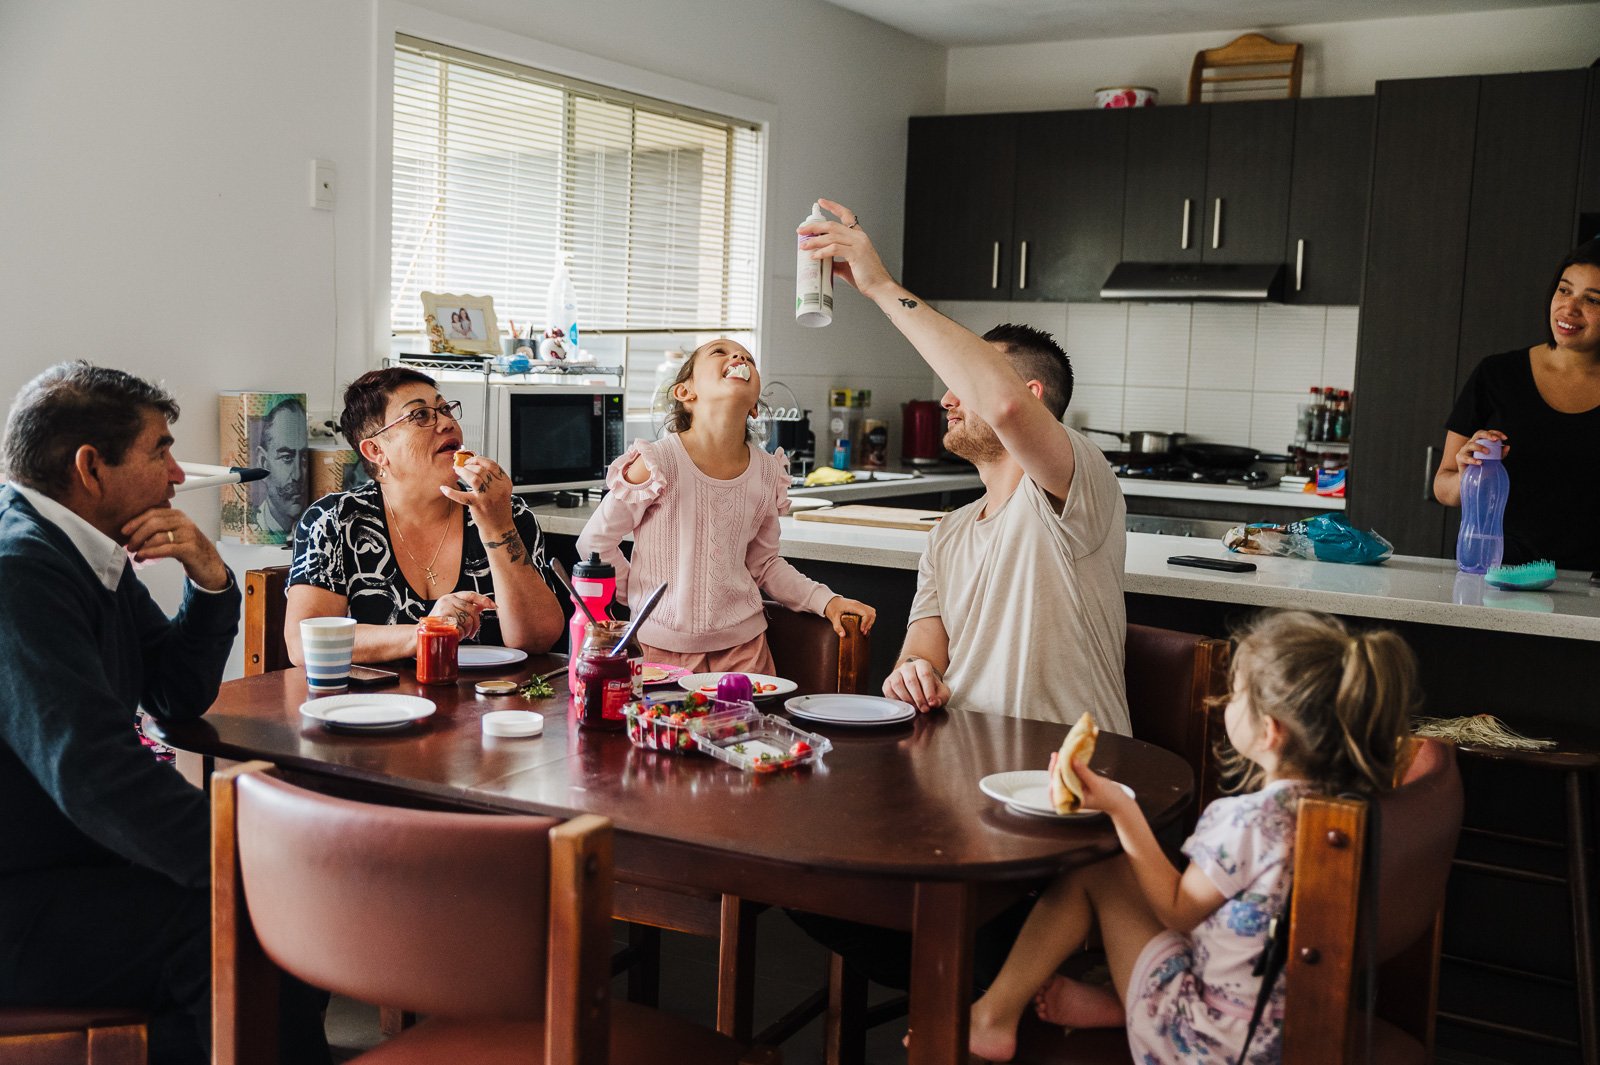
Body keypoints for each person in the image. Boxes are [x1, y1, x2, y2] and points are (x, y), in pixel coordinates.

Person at [0, 362, 330, 1065]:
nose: (178, 474)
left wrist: (211, 580)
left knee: (284, 932)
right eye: (160, 450)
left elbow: (174, 694)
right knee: (259, 926)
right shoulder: (19, 570)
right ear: (91, 466)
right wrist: (246, 854)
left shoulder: (79, 548)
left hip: (68, 864)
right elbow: (93, 773)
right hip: (20, 897)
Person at [964, 610, 1417, 1064]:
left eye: (1237, 694)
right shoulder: (1340, 810)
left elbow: (1178, 911)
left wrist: (1121, 807)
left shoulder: (1249, 822)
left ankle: (992, 1017)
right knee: (1121, 871)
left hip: (1208, 1038)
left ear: (1270, 731)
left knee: (1095, 868)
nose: (1224, 702)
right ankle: (1111, 1004)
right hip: (1276, 1021)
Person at [800, 198, 1129, 733]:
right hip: (961, 764)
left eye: (964, 384)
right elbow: (924, 654)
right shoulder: (949, 533)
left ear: (1029, 394)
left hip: (1069, 770)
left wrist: (881, 286)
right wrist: (912, 674)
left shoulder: (1078, 480)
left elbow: (1001, 407)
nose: (947, 400)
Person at [577, 338, 876, 671]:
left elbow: (764, 565)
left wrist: (827, 601)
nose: (738, 357)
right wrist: (638, 595)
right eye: (720, 352)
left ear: (754, 408)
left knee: (749, 726)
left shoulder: (767, 472)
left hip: (745, 653)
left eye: (748, 357)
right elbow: (594, 543)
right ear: (685, 393)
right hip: (657, 653)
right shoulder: (656, 462)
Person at [286, 367, 564, 663]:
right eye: (420, 415)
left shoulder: (505, 511)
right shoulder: (335, 521)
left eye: (445, 409)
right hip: (376, 705)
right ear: (376, 450)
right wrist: (428, 630)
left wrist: (498, 527)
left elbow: (536, 639)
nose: (446, 423)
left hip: (491, 701)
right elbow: (305, 643)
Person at [1433, 238, 1600, 570]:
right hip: (1500, 576)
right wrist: (1466, 474)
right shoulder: (1497, 375)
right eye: (1564, 291)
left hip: (1592, 588)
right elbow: (1443, 487)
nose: (1569, 308)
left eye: (1593, 299)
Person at [252, 395, 308, 536]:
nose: (298, 475)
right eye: (287, 458)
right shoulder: (253, 527)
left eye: (304, 458)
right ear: (264, 463)